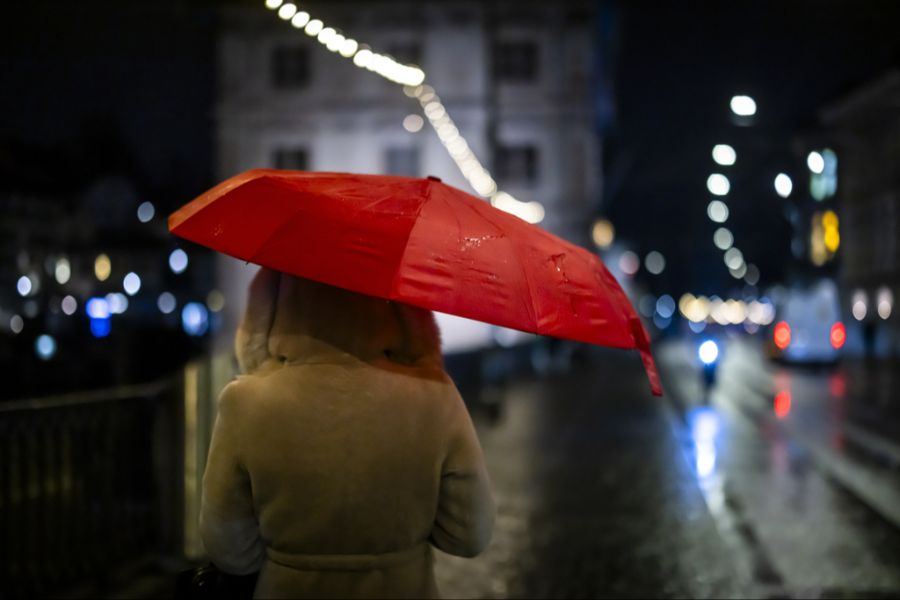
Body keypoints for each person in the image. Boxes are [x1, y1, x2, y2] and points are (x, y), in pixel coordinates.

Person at [199, 268, 495, 599]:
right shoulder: (434, 396)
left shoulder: (246, 403)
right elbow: (469, 535)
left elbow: (228, 548)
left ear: (276, 303)